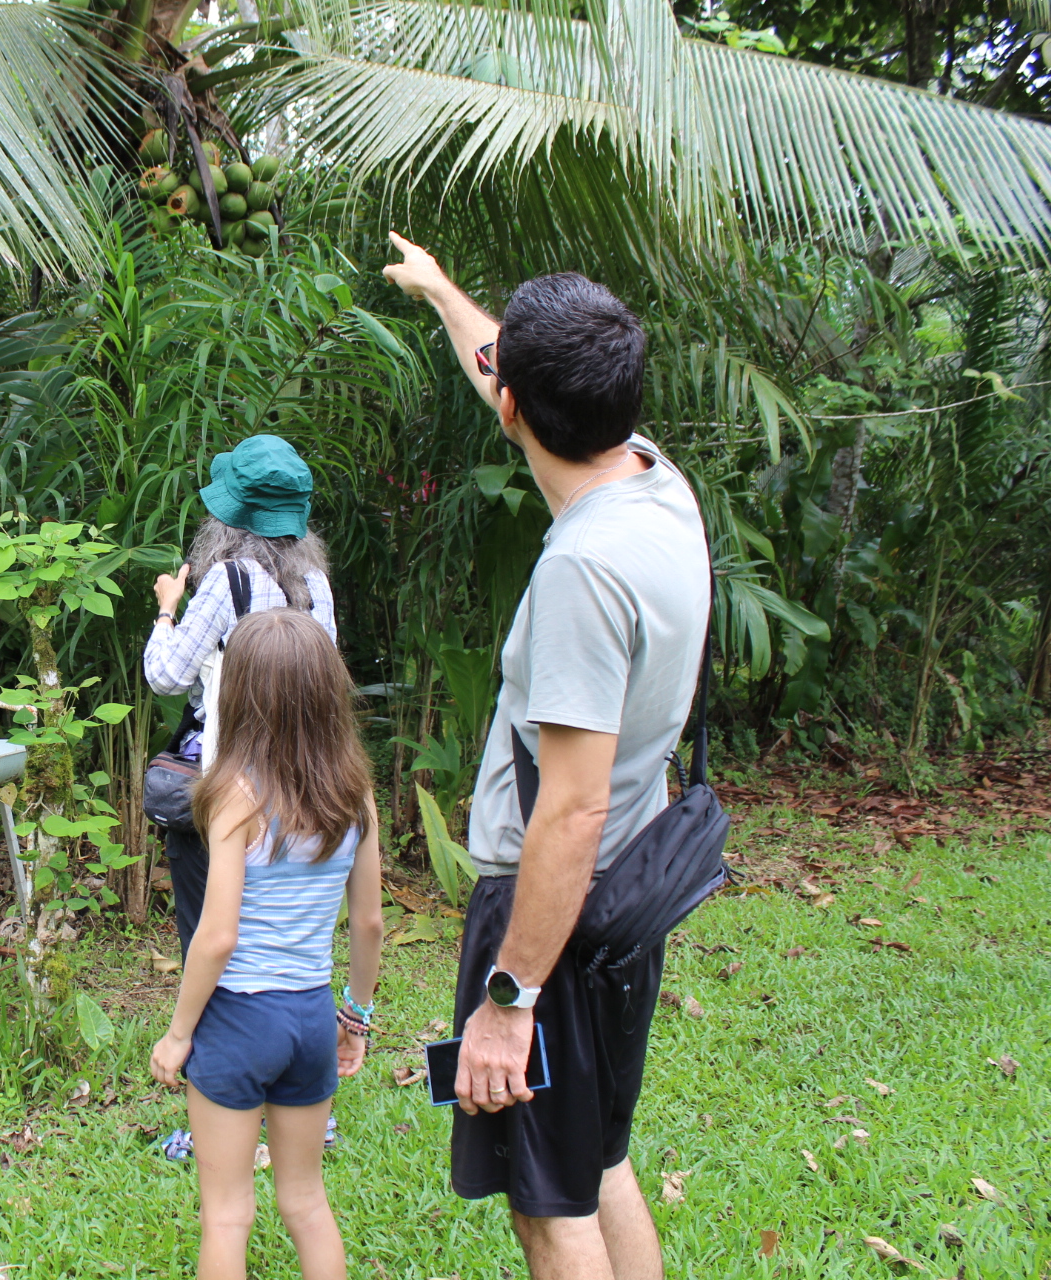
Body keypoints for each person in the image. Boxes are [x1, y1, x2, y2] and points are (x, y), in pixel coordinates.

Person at [382, 237, 710, 1279]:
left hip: (551, 909)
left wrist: (506, 1000)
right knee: (599, 1160)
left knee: (547, 1205)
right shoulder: (653, 481)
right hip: (626, 897)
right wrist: (443, 293)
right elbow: (510, 376)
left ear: (520, 405)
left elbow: (567, 810)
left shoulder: (581, 573)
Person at [149, 608, 385, 1280]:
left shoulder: (233, 796)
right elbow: (368, 924)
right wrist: (354, 1020)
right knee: (307, 1201)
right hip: (310, 1016)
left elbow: (218, 936)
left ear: (241, 695)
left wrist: (177, 1033)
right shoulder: (355, 794)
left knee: (227, 1214)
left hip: (237, 1019)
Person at [145, 433, 338, 959]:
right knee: (273, 938)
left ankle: (202, 1034)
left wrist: (168, 608)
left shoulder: (229, 580)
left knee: (207, 933)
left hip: (228, 785)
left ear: (230, 517)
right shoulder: (317, 585)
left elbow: (165, 676)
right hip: (301, 788)